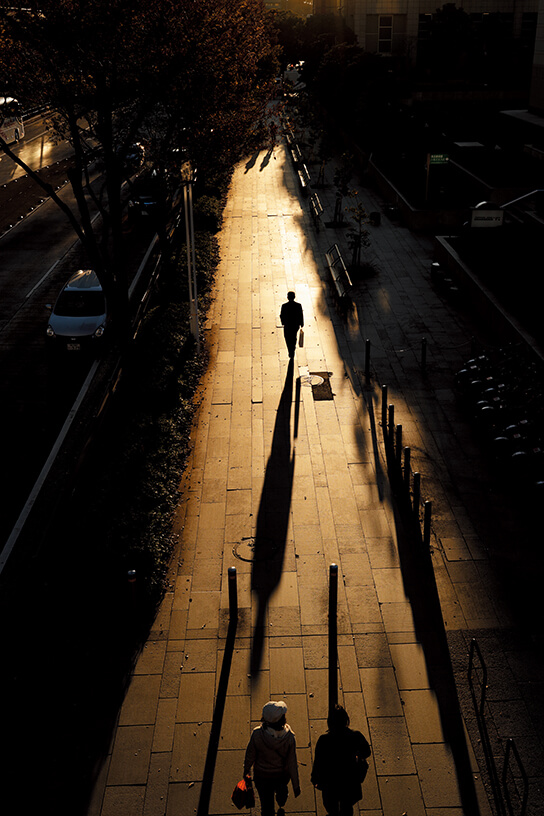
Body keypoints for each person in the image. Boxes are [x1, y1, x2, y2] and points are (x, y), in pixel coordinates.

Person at [311, 705, 371, 816]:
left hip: (330, 781)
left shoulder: (324, 740)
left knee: (331, 807)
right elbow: (367, 752)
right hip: (349, 780)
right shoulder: (355, 736)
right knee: (347, 806)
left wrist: (315, 779)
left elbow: (318, 762)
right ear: (346, 720)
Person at [244, 700, 301, 816]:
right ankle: (281, 802)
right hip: (281, 776)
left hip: (262, 776)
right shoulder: (289, 737)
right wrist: (296, 785)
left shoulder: (257, 734)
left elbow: (250, 755)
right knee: (281, 792)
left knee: (266, 805)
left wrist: (246, 771)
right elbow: (292, 762)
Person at [280, 292, 304, 359]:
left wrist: (283, 323)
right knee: (293, 337)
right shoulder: (298, 305)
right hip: (295, 325)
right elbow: (300, 315)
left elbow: (281, 315)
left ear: (287, 297)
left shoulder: (284, 306)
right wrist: (301, 323)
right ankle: (292, 349)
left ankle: (290, 350)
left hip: (287, 325)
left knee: (287, 338)